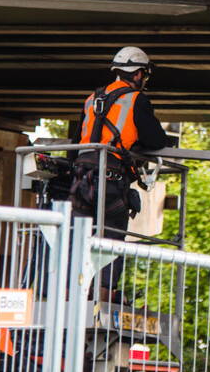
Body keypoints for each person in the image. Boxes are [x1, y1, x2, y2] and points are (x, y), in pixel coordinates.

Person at [70, 46, 171, 300]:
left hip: (81, 177)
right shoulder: (137, 100)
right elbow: (156, 139)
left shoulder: (92, 99)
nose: (144, 80)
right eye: (144, 75)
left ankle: (70, 293)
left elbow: (78, 140)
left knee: (77, 237)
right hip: (111, 178)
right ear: (137, 74)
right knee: (111, 238)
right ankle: (102, 295)